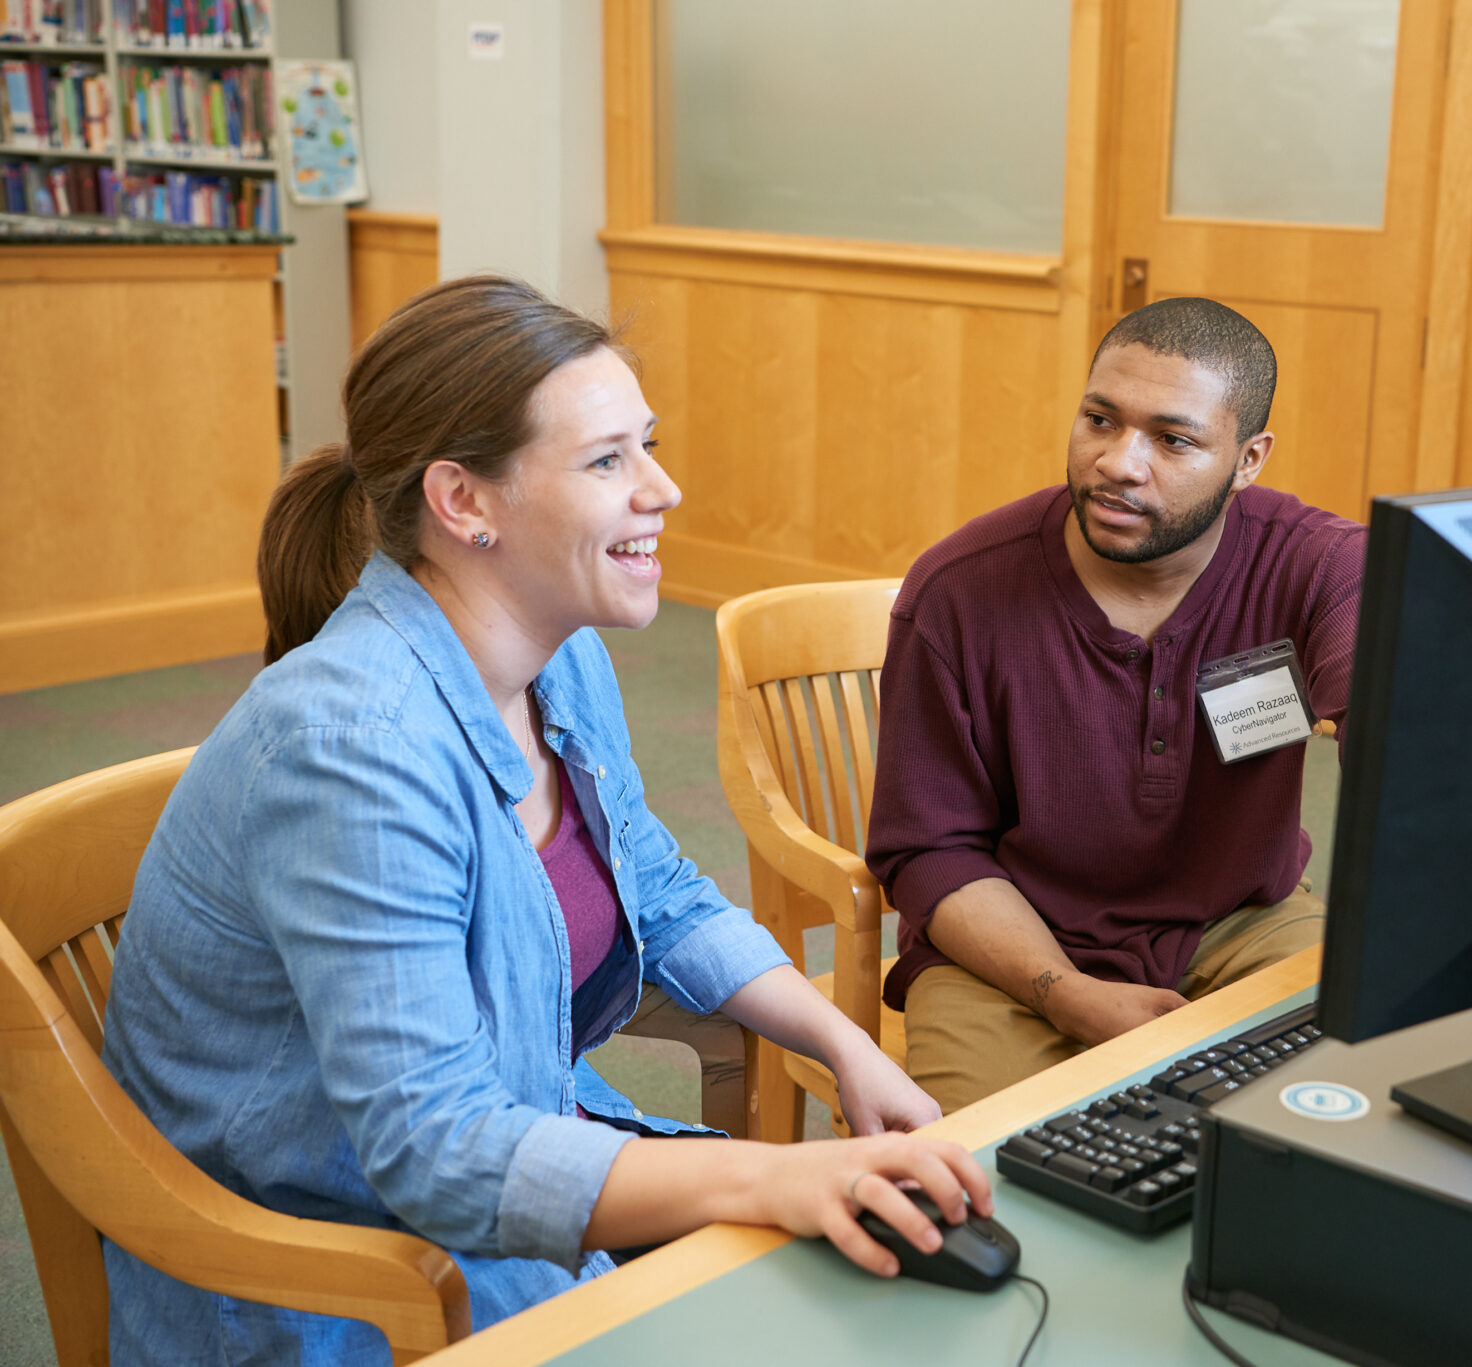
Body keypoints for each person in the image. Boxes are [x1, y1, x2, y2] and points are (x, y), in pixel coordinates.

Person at [97, 275, 989, 1365]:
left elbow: (658, 892)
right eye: (607, 459)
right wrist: (773, 1174)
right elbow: (434, 1147)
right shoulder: (355, 749)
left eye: (646, 444)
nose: (661, 487)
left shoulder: (562, 656)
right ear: (464, 503)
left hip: (493, 1170)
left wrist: (844, 1043)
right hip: (338, 1274)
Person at [864, 297, 1367, 1114]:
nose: (1120, 463)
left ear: (1248, 459)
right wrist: (1066, 992)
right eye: (1100, 419)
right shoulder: (958, 592)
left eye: (1173, 439)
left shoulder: (1316, 566)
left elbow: (1406, 729)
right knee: (988, 1181)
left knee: (1355, 1105)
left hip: (1239, 920)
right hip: (1012, 946)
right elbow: (929, 851)